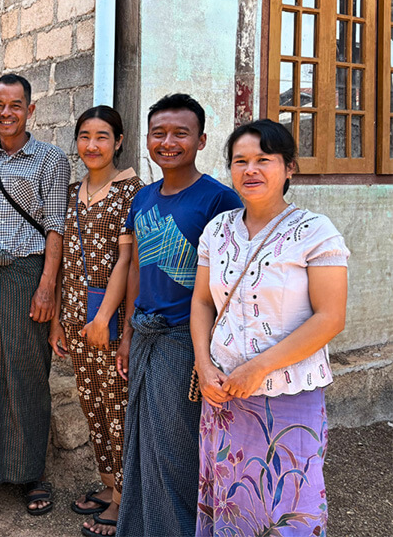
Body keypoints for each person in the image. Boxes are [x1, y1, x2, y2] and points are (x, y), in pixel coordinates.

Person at [191, 119, 348, 536]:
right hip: (223, 394)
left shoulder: (315, 232)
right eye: (240, 161)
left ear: (289, 168)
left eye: (264, 160)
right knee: (229, 493)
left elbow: (330, 317)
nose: (250, 170)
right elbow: (203, 301)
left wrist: (259, 368)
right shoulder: (217, 230)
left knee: (289, 498)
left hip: (288, 395)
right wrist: (204, 366)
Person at [116, 94, 242, 536]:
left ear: (201, 139)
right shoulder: (143, 197)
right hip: (144, 335)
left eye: (180, 133)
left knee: (177, 448)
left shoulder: (219, 201)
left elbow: (227, 285)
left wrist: (209, 353)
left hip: (185, 343)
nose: (168, 142)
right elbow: (134, 271)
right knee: (142, 443)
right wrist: (128, 335)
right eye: (159, 133)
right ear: (146, 139)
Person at [0, 74, 70, 515]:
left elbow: (56, 227)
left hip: (28, 274)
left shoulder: (51, 159)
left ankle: (31, 473)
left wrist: (47, 287)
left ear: (31, 110)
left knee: (25, 370)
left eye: (16, 105)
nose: (7, 113)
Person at [49, 106, 143, 536]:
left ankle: (126, 498)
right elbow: (66, 258)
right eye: (84, 136)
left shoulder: (132, 192)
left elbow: (128, 259)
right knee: (93, 406)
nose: (92, 145)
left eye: (102, 136)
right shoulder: (70, 192)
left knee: (118, 406)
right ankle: (108, 486)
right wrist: (59, 323)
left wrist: (106, 319)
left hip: (111, 318)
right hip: (76, 319)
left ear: (118, 141)